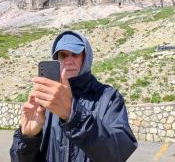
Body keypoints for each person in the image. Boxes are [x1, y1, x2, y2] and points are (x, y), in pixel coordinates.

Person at [10, 30, 137, 162]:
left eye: (75, 54)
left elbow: (118, 152)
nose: (69, 61)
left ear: (86, 57)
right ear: (57, 60)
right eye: (63, 55)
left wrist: (73, 115)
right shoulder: (45, 101)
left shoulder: (109, 97)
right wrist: (28, 139)